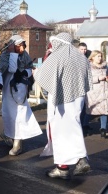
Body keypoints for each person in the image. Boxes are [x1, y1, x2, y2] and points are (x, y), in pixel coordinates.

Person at [33, 33, 93, 180]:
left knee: (61, 132)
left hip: (61, 99)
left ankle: (77, 160)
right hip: (77, 97)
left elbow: (44, 75)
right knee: (72, 126)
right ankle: (65, 165)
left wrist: (36, 73)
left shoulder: (57, 56)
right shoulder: (81, 57)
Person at [0, 35, 42, 156]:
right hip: (8, 89)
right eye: (19, 46)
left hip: (20, 88)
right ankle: (8, 134)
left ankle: (18, 143)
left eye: (23, 45)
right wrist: (12, 55)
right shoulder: (5, 55)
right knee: (9, 115)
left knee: (20, 115)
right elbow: (7, 69)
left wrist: (24, 73)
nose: (22, 48)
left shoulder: (25, 55)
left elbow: (29, 68)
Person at [85, 50, 108, 138]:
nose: (100, 58)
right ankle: (84, 125)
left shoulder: (104, 66)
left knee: (104, 110)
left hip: (104, 91)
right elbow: (86, 79)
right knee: (90, 110)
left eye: (101, 56)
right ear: (92, 57)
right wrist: (98, 78)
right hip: (93, 92)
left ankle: (103, 129)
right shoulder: (88, 66)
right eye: (98, 56)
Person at [78, 42, 92, 136]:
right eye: (82, 49)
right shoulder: (75, 58)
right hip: (77, 87)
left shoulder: (88, 58)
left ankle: (83, 126)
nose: (84, 51)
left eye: (85, 49)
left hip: (85, 86)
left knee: (85, 107)